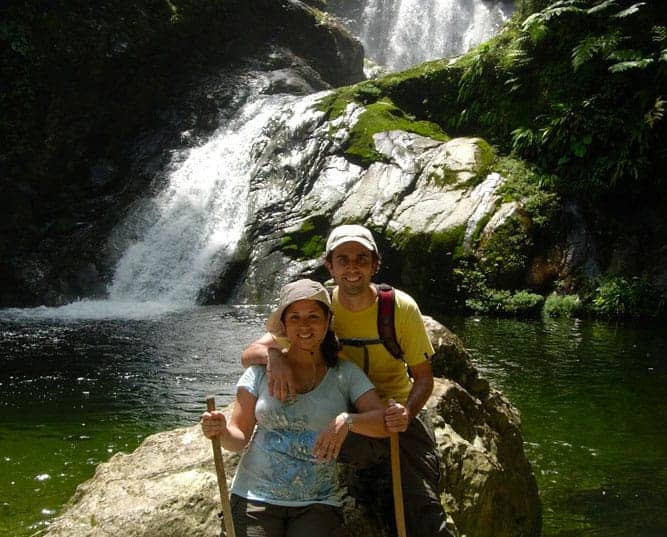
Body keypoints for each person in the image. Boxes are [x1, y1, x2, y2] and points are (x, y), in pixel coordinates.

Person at [242, 224, 454, 537]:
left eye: (361, 259)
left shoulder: (399, 308)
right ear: (329, 265)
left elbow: (423, 377)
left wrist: (408, 412)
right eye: (343, 259)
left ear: (375, 264)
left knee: (420, 501)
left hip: (391, 412)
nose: (351, 267)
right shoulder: (319, 306)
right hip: (337, 409)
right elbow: (251, 353)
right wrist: (274, 358)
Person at [202, 278, 402, 537]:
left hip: (318, 501)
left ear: (328, 321)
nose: (304, 325)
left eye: (313, 317)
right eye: (294, 317)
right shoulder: (259, 373)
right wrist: (219, 431)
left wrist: (348, 420)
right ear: (284, 325)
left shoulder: (345, 373)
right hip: (254, 496)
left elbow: (382, 422)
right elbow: (237, 439)